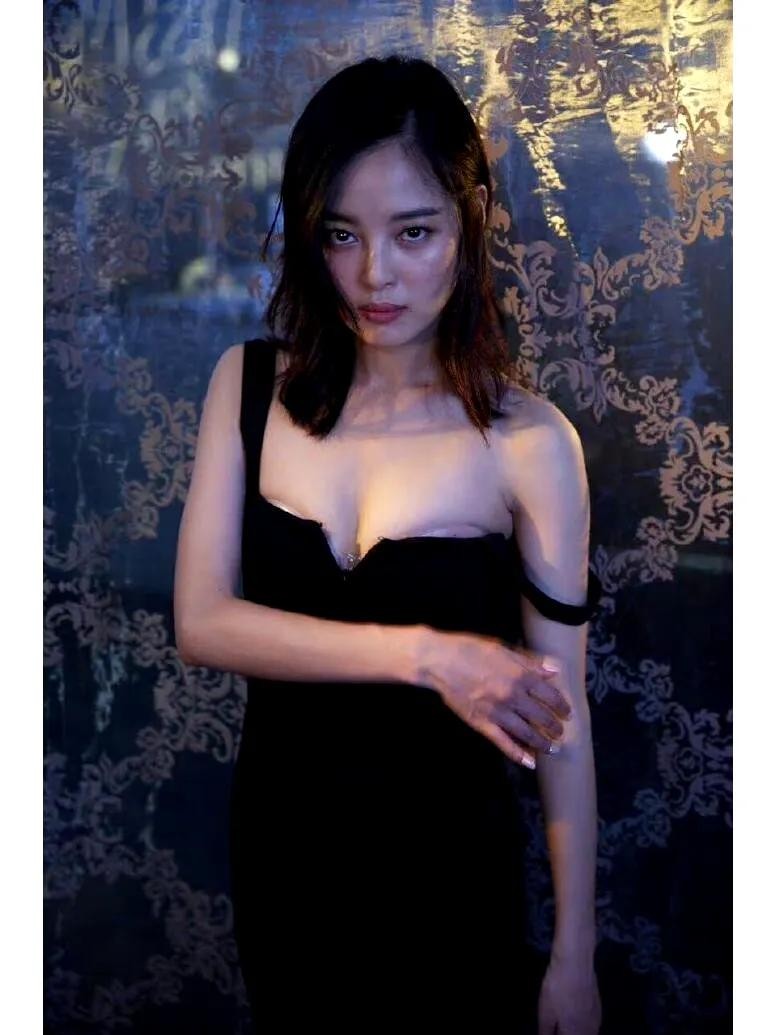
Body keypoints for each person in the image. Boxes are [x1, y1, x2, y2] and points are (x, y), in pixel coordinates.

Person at [174, 55, 602, 1034]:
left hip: (451, 880)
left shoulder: (530, 444)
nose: (374, 274)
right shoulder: (247, 388)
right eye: (341, 234)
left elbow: (563, 718)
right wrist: (428, 655)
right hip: (283, 865)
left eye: (413, 232)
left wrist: (572, 957)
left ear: (469, 221)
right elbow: (201, 622)